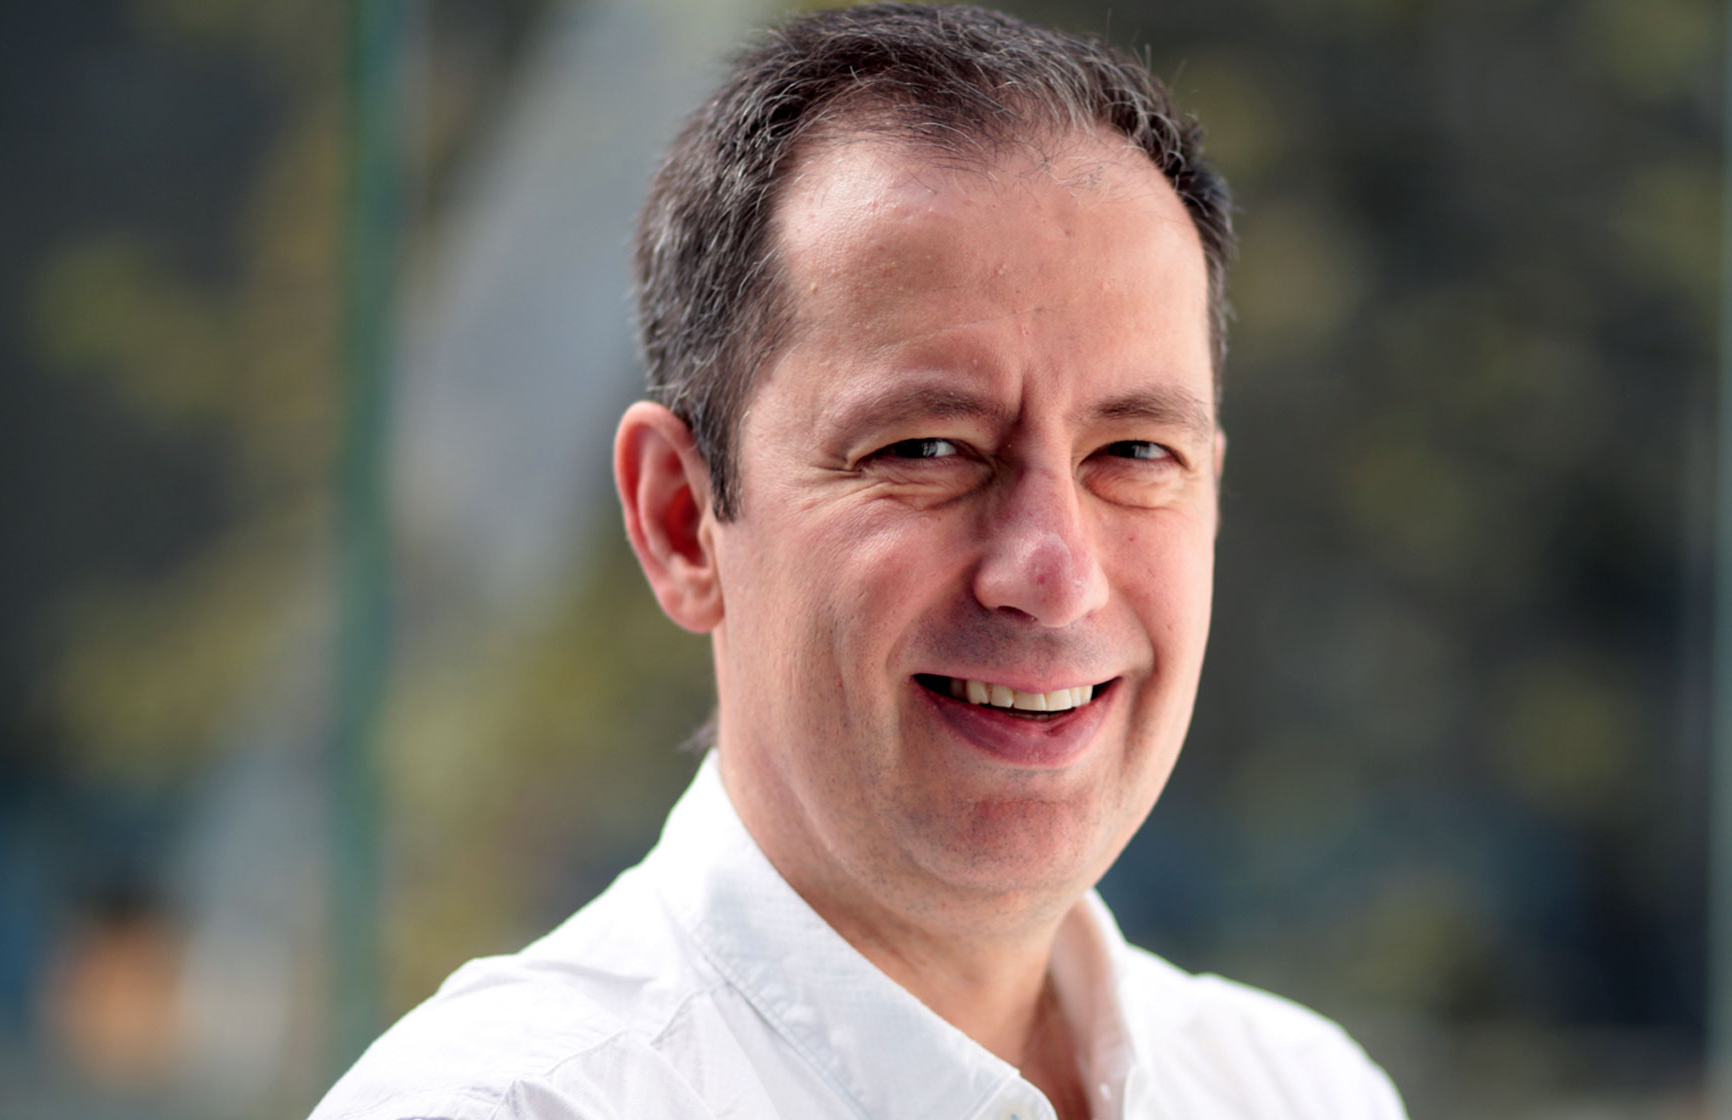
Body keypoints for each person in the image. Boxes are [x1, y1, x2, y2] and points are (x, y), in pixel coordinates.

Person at [310, 5, 1406, 1118]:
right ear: (682, 520)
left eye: (1133, 453)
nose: (1053, 572)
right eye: (926, 449)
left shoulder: (1303, 1090)